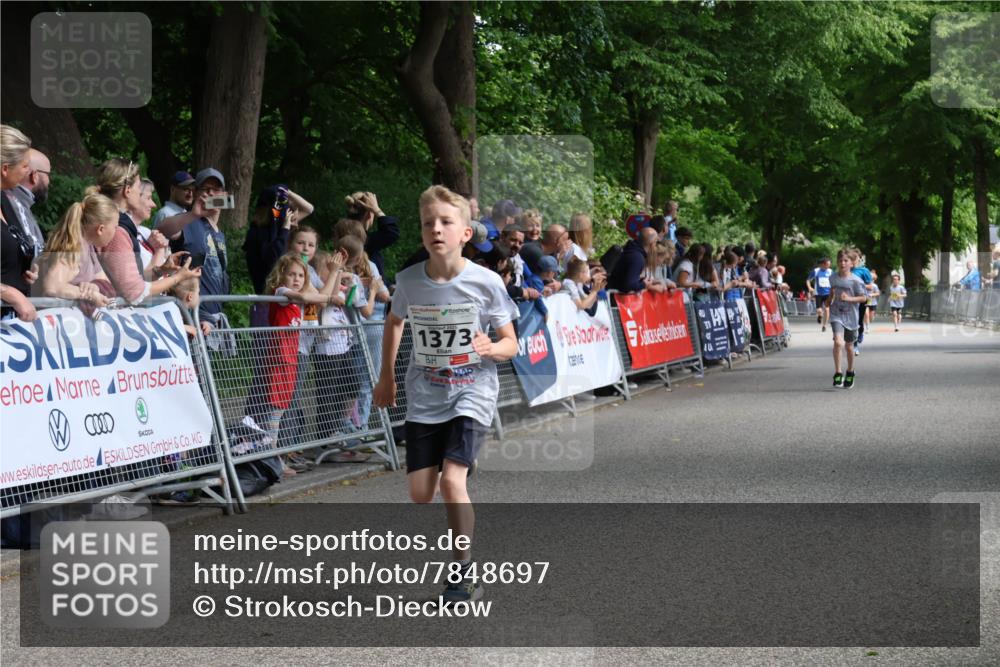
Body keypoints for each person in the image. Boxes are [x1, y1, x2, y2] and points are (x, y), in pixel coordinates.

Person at [373, 185, 518, 606]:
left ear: (465, 233)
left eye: (445, 222)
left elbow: (511, 343)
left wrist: (491, 347)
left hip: (473, 390)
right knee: (421, 494)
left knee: (452, 482)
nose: (436, 229)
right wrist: (387, 377)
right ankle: (458, 465)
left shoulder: (486, 282)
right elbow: (394, 322)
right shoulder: (409, 281)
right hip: (426, 394)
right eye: (428, 223)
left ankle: (463, 575)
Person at [262, 253, 339, 476]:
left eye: (300, 276)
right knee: (276, 410)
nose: (296, 279)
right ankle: (274, 459)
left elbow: (317, 300)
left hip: (291, 358)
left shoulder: (298, 299)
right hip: (279, 358)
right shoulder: (281, 292)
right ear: (281, 275)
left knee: (282, 408)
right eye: (291, 274)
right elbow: (309, 297)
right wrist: (328, 293)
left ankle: (275, 457)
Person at [156, 168, 231, 320]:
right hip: (192, 316)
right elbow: (163, 229)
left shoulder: (219, 234)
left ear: (224, 195)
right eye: (206, 189)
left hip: (214, 319)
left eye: (216, 190)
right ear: (196, 193)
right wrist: (193, 214)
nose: (211, 194)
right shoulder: (189, 221)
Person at [1, 125, 37, 321]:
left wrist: (22, 270)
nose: (29, 172)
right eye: (25, 166)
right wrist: (10, 293)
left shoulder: (6, 200)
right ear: (5, 169)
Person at [829, 249, 868, 389]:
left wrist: (849, 298)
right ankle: (838, 372)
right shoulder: (833, 277)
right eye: (840, 260)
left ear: (851, 263)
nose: (842, 263)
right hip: (836, 313)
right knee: (838, 342)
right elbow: (831, 294)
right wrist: (829, 299)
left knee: (849, 346)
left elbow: (864, 298)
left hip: (851, 316)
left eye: (846, 261)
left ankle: (850, 371)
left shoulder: (856, 280)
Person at [6, 147, 49, 258]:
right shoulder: (17, 204)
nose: (49, 181)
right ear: (34, 175)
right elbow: (33, 251)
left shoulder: (21, 202)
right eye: (48, 174)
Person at [345, 191, 399, 278]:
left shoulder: (344, 234)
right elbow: (392, 232)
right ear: (369, 215)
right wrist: (377, 210)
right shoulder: (365, 240)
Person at [609, 227, 666, 293]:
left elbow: (626, 277)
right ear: (652, 243)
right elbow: (628, 285)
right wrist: (644, 284)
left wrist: (644, 282)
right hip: (613, 296)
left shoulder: (630, 249)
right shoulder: (637, 258)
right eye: (656, 242)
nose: (655, 246)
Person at [850, 251, 874, 355]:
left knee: (859, 320)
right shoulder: (846, 270)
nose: (852, 260)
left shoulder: (864, 270)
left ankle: (860, 332)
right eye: (850, 258)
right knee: (852, 321)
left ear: (859, 259)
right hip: (849, 299)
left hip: (862, 298)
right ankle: (854, 343)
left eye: (854, 258)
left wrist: (859, 284)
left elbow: (870, 286)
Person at [807, 257, 833, 331]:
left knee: (827, 309)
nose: (829, 266)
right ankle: (820, 316)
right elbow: (808, 280)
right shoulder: (816, 271)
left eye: (829, 264)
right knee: (819, 310)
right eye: (827, 264)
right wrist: (809, 287)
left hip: (827, 293)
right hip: (818, 294)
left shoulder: (830, 271)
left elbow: (834, 280)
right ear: (822, 264)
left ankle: (824, 325)